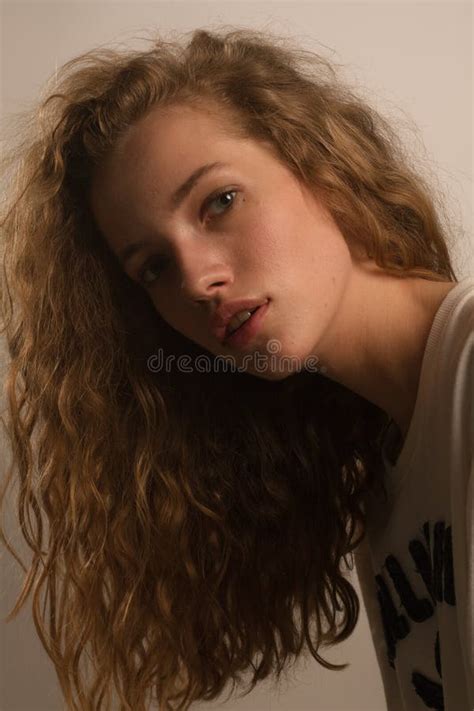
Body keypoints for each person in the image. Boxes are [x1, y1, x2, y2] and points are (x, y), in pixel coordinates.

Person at [0, 27, 471, 711]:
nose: (196, 279)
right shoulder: (387, 471)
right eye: (154, 266)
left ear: (321, 162)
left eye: (219, 201)